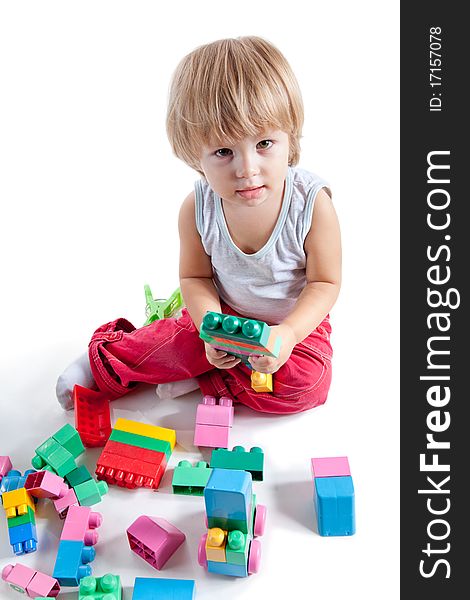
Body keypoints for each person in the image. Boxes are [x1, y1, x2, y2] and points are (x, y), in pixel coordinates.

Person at [56, 36, 341, 415]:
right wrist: (210, 327)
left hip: (290, 326)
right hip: (221, 316)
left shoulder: (312, 205)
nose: (247, 169)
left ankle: (197, 375)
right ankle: (104, 361)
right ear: (195, 156)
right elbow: (195, 279)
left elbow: (325, 284)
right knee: (172, 342)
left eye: (265, 143)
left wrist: (287, 335)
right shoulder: (197, 208)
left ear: (290, 137)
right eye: (224, 152)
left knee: (306, 384)